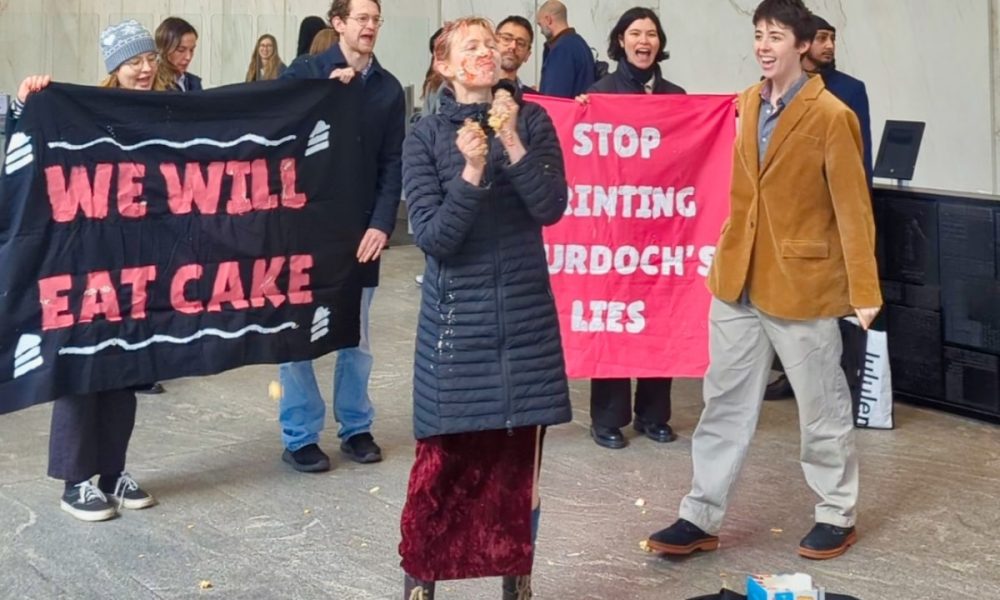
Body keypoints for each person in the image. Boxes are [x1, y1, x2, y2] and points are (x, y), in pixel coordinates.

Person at [645, 0, 881, 561]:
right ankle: (699, 515)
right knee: (722, 403)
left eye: (775, 35)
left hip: (802, 285)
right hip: (737, 281)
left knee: (820, 406)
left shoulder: (831, 115)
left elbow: (853, 207)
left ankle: (835, 513)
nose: (764, 45)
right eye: (757, 35)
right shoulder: (747, 102)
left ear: (803, 44)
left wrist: (864, 292)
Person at [398, 17, 571, 600]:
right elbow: (435, 238)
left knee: (521, 478)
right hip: (455, 332)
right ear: (444, 66)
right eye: (472, 46)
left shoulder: (534, 119)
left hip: (526, 329)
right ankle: (421, 584)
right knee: (441, 474)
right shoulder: (424, 137)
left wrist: (512, 140)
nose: (488, 52)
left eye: (493, 44)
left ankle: (517, 585)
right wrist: (471, 171)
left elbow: (550, 207)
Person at [8, 19, 167, 522]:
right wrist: (25, 103)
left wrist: (317, 88)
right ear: (114, 67)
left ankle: (110, 471)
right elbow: (27, 142)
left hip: (141, 260)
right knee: (82, 363)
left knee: (127, 366)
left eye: (148, 60)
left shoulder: (169, 108)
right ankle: (75, 480)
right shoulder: (82, 111)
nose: (143, 70)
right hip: (84, 262)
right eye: (132, 62)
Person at [275, 0, 404, 472]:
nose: (370, 27)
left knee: (358, 336)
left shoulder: (388, 89)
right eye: (362, 19)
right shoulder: (304, 73)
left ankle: (356, 427)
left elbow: (394, 162)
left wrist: (382, 223)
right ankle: (300, 435)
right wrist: (318, 97)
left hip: (360, 230)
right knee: (296, 335)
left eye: (376, 20)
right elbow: (275, 131)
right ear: (339, 24)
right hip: (304, 228)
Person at [580, 8, 685, 450]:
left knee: (661, 317)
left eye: (652, 34)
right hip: (614, 231)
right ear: (620, 41)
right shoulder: (599, 93)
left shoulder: (678, 96)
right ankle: (607, 417)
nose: (645, 41)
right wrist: (579, 113)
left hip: (663, 229)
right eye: (635, 33)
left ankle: (653, 413)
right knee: (614, 318)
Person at [764, 12, 874, 401]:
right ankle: (791, 376)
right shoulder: (771, 89)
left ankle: (846, 379)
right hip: (785, 220)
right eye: (822, 38)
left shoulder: (849, 90)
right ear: (803, 43)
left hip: (830, 216)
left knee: (831, 311)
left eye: (833, 38)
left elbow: (860, 163)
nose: (829, 46)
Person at [535, 0, 595, 97]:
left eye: (540, 25)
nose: (541, 31)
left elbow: (554, 98)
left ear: (548, 20)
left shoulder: (562, 50)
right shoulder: (580, 44)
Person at [155, 17, 201, 91]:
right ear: (163, 49)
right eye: (181, 50)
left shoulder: (193, 82)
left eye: (192, 50)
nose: (188, 57)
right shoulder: (150, 83)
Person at [496, 15, 534, 93]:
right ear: (493, 43)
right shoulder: (473, 92)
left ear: (527, 55)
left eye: (520, 43)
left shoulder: (534, 100)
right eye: (506, 39)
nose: (513, 46)